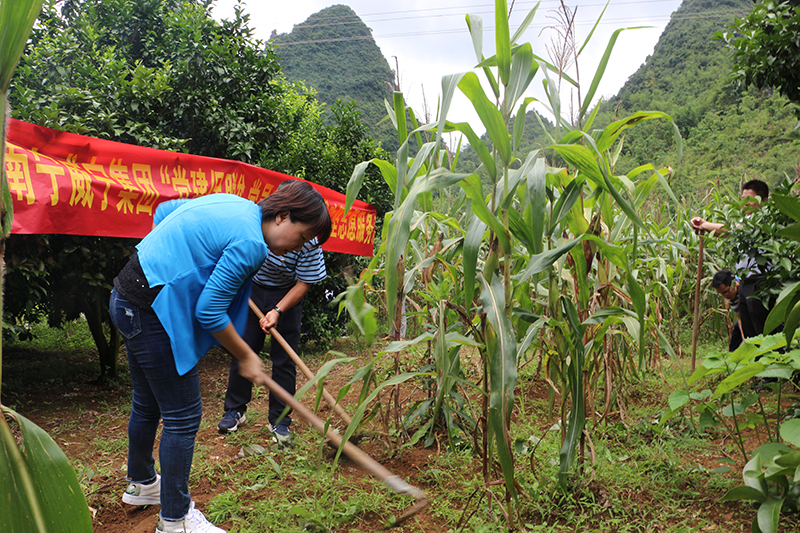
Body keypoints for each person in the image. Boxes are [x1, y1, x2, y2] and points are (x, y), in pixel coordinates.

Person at [109, 182, 331, 533]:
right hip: (150, 311)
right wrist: (246, 355)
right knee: (183, 417)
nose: (296, 248)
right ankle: (175, 520)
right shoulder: (252, 244)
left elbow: (166, 211)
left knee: (147, 403)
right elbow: (209, 312)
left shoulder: (238, 206)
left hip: (125, 296)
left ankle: (141, 484)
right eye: (301, 237)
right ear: (283, 216)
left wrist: (171, 260)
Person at [217, 182, 328, 443]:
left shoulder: (309, 241)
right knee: (243, 350)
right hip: (252, 289)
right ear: (282, 216)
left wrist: (278, 310)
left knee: (285, 360)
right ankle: (235, 410)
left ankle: (280, 421)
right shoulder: (253, 224)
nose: (300, 245)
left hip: (286, 295)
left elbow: (304, 283)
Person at [691, 179, 772, 339]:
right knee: (750, 333)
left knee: (764, 331)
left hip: (761, 282)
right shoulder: (745, 221)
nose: (745, 203)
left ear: (764, 201)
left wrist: (705, 225)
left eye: (750, 199)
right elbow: (730, 230)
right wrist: (705, 226)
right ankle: (756, 362)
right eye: (743, 199)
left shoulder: (765, 220)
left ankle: (773, 361)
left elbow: (731, 231)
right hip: (745, 283)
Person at [711, 269, 744, 351]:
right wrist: (744, 339)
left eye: (726, 292)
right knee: (736, 337)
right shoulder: (730, 297)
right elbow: (740, 318)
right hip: (744, 317)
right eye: (721, 293)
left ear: (735, 283)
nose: (725, 296)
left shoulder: (745, 286)